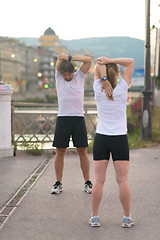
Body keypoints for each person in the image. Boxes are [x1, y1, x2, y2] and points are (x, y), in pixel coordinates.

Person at [89, 56, 135, 228]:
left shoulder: (98, 88)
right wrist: (111, 60)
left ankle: (95, 217)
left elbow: (97, 64)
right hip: (119, 138)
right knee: (122, 179)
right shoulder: (123, 88)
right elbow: (130, 62)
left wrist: (103, 79)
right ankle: (126, 218)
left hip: (102, 137)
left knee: (99, 180)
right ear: (117, 73)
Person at [51, 53, 93, 194]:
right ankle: (58, 183)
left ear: (73, 72)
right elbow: (58, 62)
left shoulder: (79, 76)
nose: (67, 77)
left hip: (78, 118)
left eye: (69, 75)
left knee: (82, 150)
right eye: (65, 75)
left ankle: (87, 182)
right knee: (60, 151)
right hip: (63, 118)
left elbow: (88, 60)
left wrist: (70, 57)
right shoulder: (59, 76)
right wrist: (61, 58)